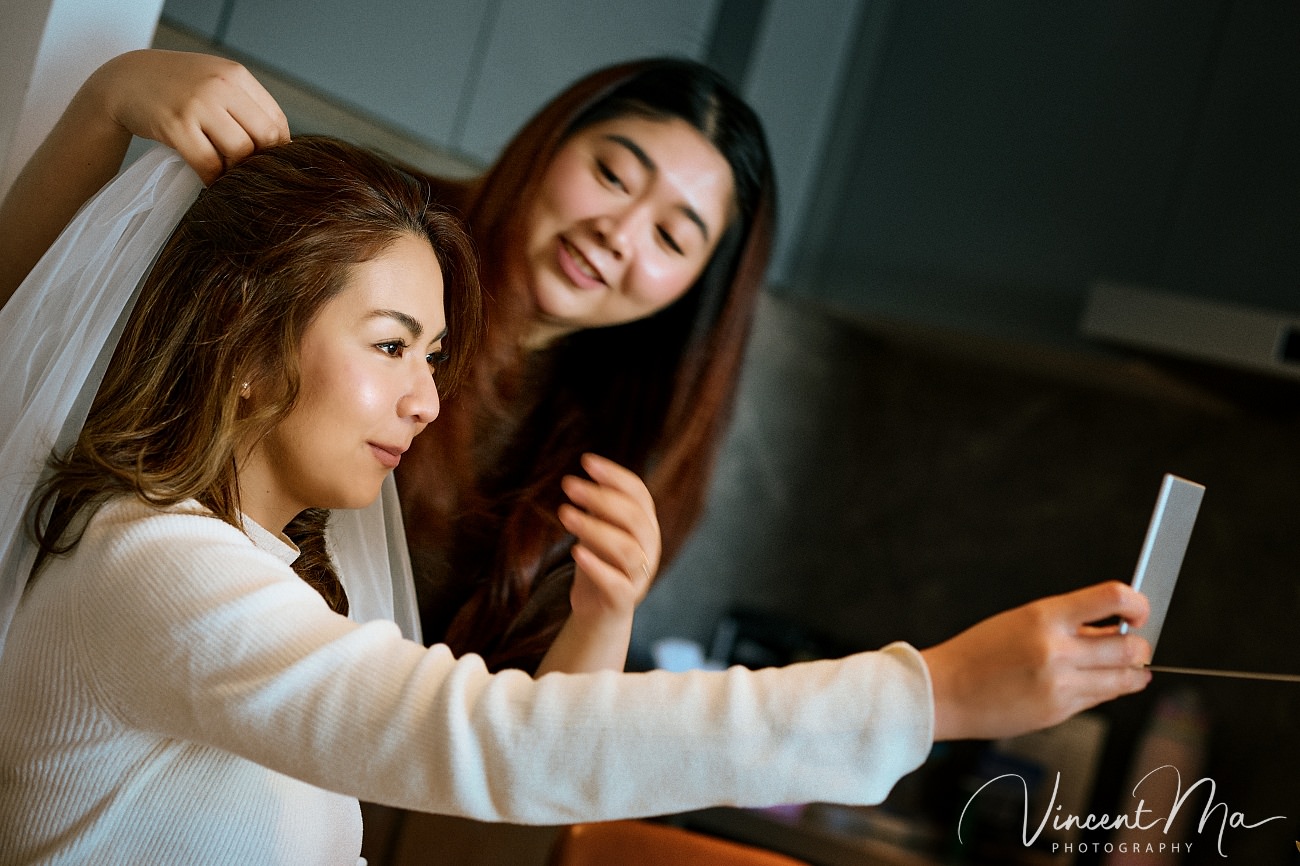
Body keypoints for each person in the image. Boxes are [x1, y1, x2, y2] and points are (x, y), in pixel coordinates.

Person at [0, 131, 1151, 865]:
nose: (426, 399)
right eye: (393, 344)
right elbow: (501, 741)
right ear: (243, 344)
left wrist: (602, 614)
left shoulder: (275, 566)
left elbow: (516, 762)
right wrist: (929, 692)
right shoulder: (154, 564)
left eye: (436, 355)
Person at [0, 50, 1151, 687]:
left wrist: (610, 612)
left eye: (675, 236)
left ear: (693, 290)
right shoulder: (352, 238)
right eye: (615, 172)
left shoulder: (607, 461)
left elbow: (527, 735)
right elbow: (31, 327)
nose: (622, 232)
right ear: (551, 140)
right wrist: (109, 102)